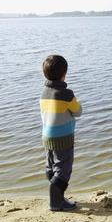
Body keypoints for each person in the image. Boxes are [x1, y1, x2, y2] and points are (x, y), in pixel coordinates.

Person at [40, 55, 82, 211]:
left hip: (47, 137)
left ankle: (57, 196)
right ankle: (56, 201)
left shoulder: (44, 92)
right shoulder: (66, 94)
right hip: (63, 138)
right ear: (64, 73)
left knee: (51, 165)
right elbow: (78, 111)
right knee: (63, 168)